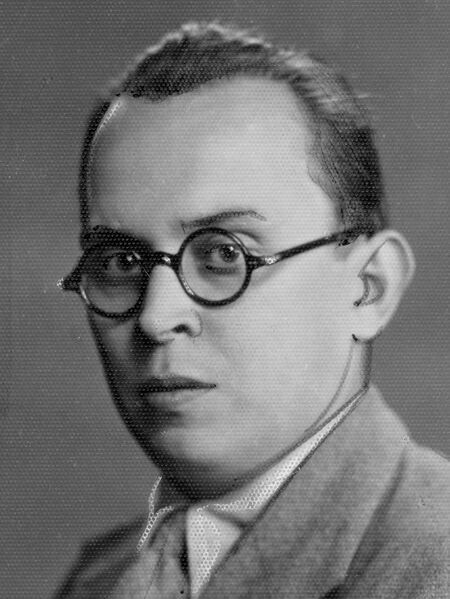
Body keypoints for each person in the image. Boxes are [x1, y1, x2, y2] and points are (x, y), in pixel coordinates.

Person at [55, 22, 450, 599]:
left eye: (224, 254)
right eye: (120, 261)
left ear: (368, 289)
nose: (156, 318)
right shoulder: (103, 578)